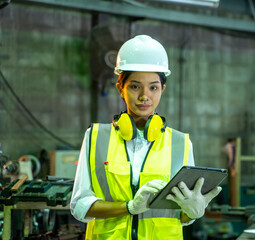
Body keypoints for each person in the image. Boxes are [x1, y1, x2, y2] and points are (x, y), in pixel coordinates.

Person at [70, 35, 222, 239]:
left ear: (162, 89)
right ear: (120, 88)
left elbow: (181, 215)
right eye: (134, 86)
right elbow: (80, 206)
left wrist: (193, 212)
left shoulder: (180, 144)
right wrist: (129, 208)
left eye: (153, 87)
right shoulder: (96, 137)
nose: (144, 96)